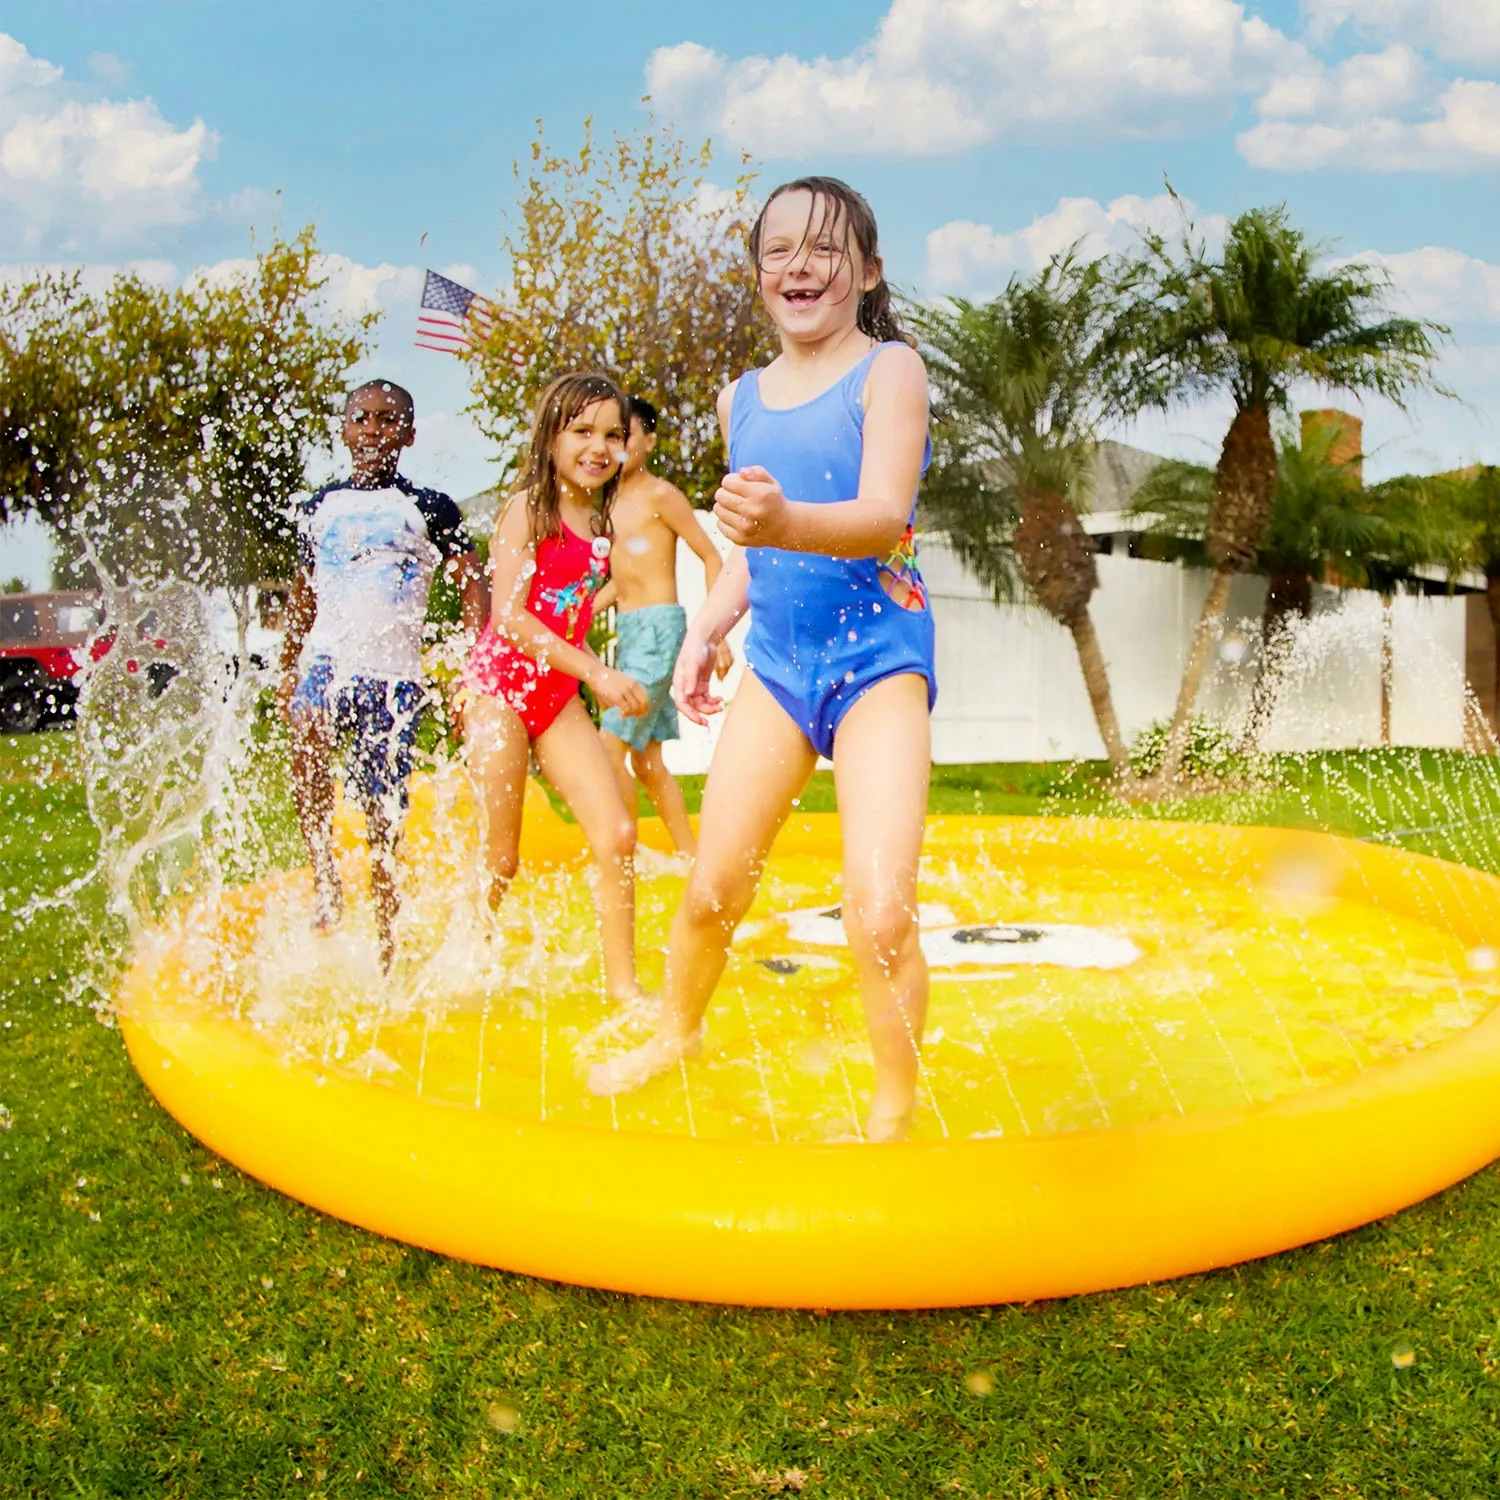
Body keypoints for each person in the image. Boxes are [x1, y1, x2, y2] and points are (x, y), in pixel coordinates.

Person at [588, 177, 937, 1141]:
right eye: (780, 249)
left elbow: (881, 519)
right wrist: (708, 627)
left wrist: (782, 519)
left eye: (827, 249)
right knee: (711, 890)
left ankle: (895, 1109)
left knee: (879, 912)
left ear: (866, 272)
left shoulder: (889, 372)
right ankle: (675, 1030)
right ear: (756, 274)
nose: (802, 265)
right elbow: (750, 544)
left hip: (877, 670)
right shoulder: (738, 396)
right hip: (781, 670)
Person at [277, 379, 486, 972]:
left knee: (381, 808)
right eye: (362, 418)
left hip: (391, 680)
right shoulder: (319, 507)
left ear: (409, 434)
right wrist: (289, 665)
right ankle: (324, 876)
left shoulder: (429, 507)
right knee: (307, 748)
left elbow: (472, 579)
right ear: (344, 430)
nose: (373, 429)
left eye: (388, 420)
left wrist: (471, 658)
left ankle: (386, 924)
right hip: (325, 662)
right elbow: (303, 593)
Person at [463, 372, 650, 1005]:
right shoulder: (528, 510)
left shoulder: (602, 517)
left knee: (619, 835)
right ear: (551, 437)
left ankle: (623, 987)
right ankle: (469, 959)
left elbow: (575, 599)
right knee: (502, 858)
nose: (599, 446)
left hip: (556, 697)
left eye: (613, 435)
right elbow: (512, 618)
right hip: (501, 690)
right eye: (583, 432)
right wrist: (596, 671)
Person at [593, 395, 734, 856]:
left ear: (648, 441)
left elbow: (710, 555)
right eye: (609, 435)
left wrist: (719, 633)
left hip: (659, 632)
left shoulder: (661, 495)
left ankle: (620, 853)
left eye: (624, 435)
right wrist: (585, 610)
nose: (614, 446)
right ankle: (691, 854)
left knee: (607, 747)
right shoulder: (609, 500)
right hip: (630, 632)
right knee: (647, 759)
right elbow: (623, 578)